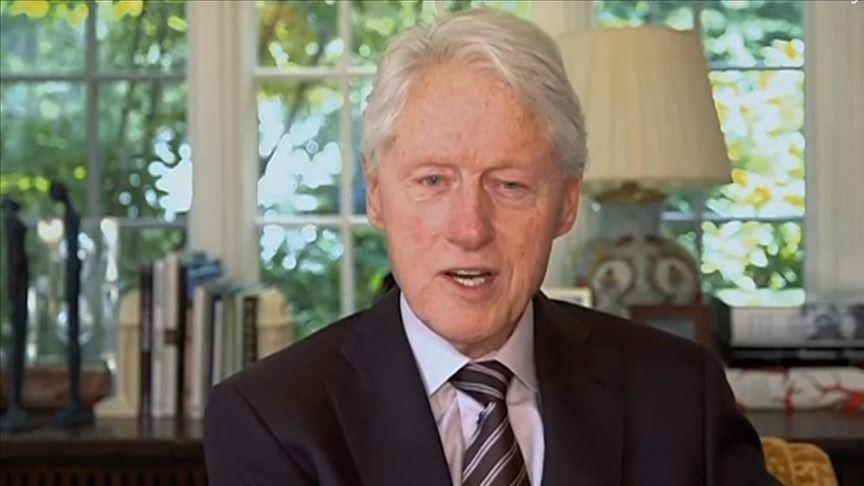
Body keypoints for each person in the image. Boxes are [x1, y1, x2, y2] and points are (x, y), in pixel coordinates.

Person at [204, 9, 778, 485]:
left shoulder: (680, 394)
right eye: (433, 181)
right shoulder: (273, 420)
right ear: (376, 195)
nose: (470, 229)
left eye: (510, 185)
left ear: (567, 203)